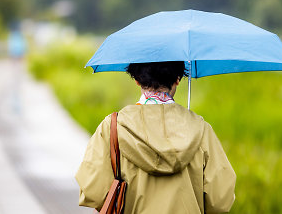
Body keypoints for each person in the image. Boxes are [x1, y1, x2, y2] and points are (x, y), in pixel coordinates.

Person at [75, 61, 236, 213]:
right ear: (178, 79)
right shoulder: (201, 129)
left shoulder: (113, 127)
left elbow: (93, 192)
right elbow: (220, 201)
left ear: (137, 80)